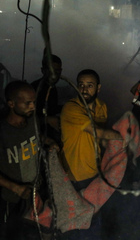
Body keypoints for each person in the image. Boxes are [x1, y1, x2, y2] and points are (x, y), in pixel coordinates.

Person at [60, 69, 123, 239]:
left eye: (90, 85)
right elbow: (97, 132)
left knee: (93, 217)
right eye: (81, 85)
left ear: (98, 87)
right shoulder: (71, 108)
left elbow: (101, 139)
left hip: (95, 171)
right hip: (76, 174)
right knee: (79, 219)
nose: (84, 89)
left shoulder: (102, 107)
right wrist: (124, 138)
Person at [0, 81, 59, 239]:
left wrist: (50, 142)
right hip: (11, 199)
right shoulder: (3, 131)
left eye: (34, 102)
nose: (33, 106)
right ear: (11, 103)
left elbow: (36, 137)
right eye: (27, 103)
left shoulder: (32, 120)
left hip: (34, 190)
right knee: (12, 233)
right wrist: (16, 188)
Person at [31, 54, 63, 145]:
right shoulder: (34, 89)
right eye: (51, 71)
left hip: (48, 137)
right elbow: (26, 119)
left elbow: (50, 108)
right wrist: (46, 119)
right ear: (43, 71)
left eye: (57, 71)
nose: (54, 75)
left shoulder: (52, 88)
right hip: (36, 140)